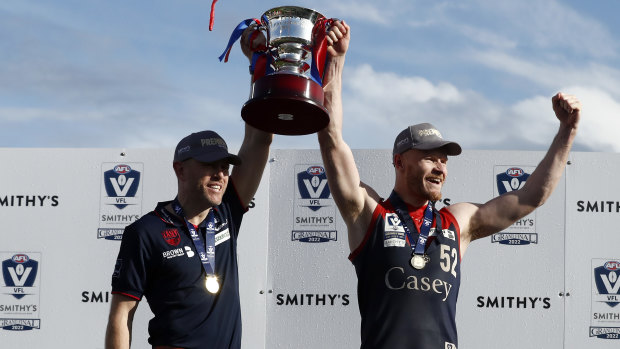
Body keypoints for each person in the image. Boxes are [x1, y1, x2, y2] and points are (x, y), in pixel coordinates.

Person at [319, 21, 581, 348]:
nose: (440, 165)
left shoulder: (458, 222)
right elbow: (332, 140)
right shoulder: (369, 212)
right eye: (430, 156)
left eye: (444, 158)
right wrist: (336, 61)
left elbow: (531, 197)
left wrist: (567, 132)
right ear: (400, 161)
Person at [104, 29, 272, 349]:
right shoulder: (146, 232)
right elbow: (122, 315)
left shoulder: (227, 212)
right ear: (180, 169)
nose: (220, 174)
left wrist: (258, 65)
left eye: (224, 166)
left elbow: (260, 139)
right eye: (210, 165)